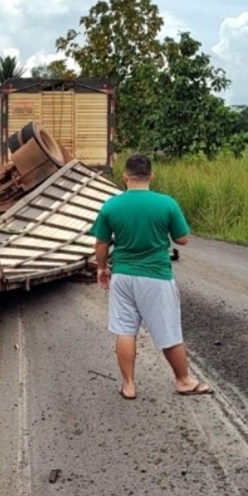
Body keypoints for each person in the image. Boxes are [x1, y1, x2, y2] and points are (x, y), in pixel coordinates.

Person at [89, 154, 212, 401]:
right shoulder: (166, 203)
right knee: (168, 331)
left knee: (124, 330)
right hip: (156, 276)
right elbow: (183, 239)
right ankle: (184, 381)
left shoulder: (111, 205)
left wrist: (102, 269)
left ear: (125, 177)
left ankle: (129, 386)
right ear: (151, 176)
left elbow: (101, 242)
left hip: (123, 275)